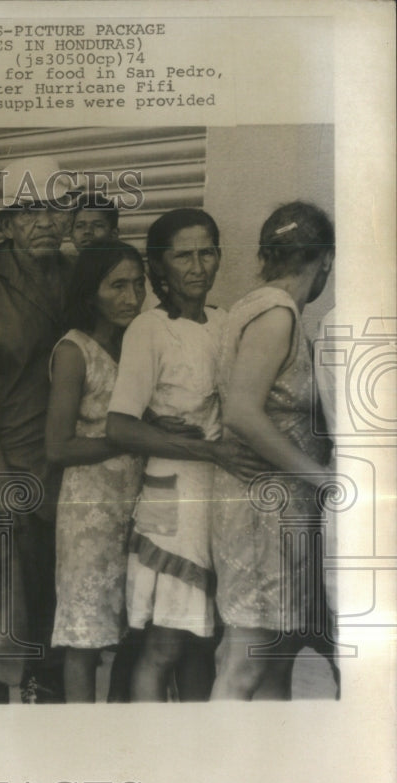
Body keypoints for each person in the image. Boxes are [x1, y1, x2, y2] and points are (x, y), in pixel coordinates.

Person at [105, 208, 262, 702]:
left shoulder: (225, 322)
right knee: (164, 645)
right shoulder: (148, 330)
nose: (197, 266)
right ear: (159, 268)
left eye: (207, 252)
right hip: (172, 502)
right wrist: (204, 449)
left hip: (218, 497)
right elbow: (120, 426)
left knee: (204, 641)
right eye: (183, 256)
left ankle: (195, 756)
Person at [0, 156, 80, 703]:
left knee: (59, 619)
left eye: (54, 207)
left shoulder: (78, 276)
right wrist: (0, 475)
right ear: (5, 224)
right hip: (3, 471)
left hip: (69, 473)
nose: (45, 221)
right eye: (28, 211)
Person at [210, 202, 336, 700]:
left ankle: (267, 768)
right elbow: (242, 412)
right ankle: (213, 775)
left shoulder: (256, 305)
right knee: (245, 657)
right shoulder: (276, 313)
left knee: (273, 656)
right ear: (324, 261)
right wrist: (320, 477)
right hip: (261, 510)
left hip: (271, 509)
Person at [45, 241, 146, 702]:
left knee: (133, 629)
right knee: (83, 636)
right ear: (91, 293)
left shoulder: (138, 343)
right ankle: (82, 739)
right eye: (117, 285)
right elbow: (58, 445)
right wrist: (125, 440)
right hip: (90, 511)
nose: (132, 296)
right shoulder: (74, 349)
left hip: (138, 504)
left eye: (138, 284)